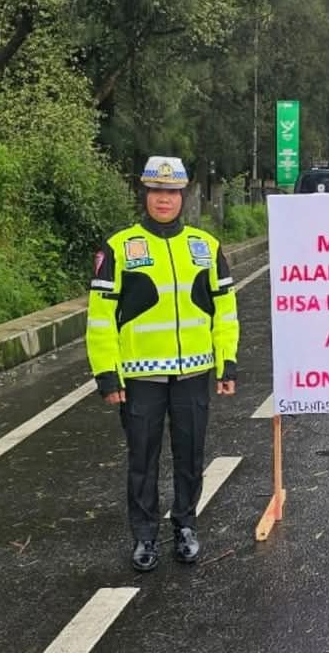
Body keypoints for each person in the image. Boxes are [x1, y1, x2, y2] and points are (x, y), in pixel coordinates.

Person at [85, 156, 239, 571]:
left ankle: (185, 526)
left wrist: (227, 362)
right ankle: (145, 536)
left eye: (172, 192)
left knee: (190, 454)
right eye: (157, 191)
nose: (164, 199)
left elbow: (224, 310)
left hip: (194, 372)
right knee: (142, 458)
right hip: (140, 376)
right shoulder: (118, 248)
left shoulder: (205, 247)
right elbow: (100, 318)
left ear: (182, 195)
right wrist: (106, 372)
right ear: (145, 194)